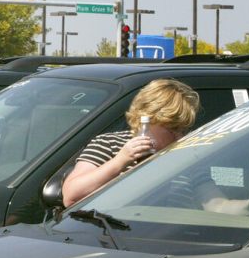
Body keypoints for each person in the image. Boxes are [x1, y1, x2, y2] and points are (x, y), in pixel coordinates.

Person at [62, 78, 200, 206]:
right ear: (148, 119)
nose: (179, 137)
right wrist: (119, 162)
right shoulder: (110, 144)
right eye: (173, 128)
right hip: (116, 229)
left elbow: (214, 202)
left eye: (183, 130)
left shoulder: (185, 157)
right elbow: (71, 196)